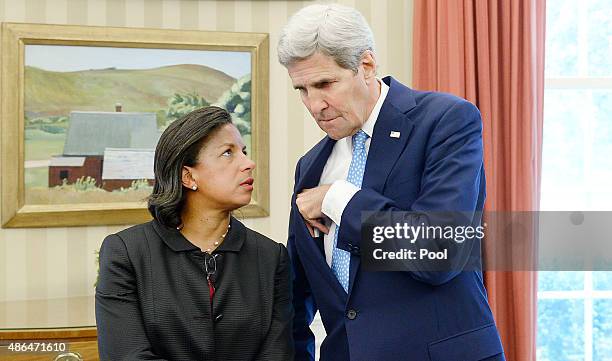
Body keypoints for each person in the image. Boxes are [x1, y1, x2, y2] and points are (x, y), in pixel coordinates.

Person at [278, 4, 505, 361]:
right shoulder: (309, 167)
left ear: (366, 66)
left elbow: (437, 255)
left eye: (324, 84)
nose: (314, 104)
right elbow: (296, 293)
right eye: (302, 89)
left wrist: (339, 198)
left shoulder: (446, 122)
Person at [95, 106, 294, 360]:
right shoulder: (127, 254)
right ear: (188, 176)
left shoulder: (271, 257)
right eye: (227, 153)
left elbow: (278, 354)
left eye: (244, 152)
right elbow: (126, 354)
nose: (249, 163)